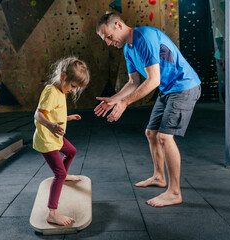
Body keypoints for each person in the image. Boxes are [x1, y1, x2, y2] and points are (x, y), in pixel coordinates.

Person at [95, 12, 201, 207]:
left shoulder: (145, 37)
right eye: (105, 40)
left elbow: (153, 80)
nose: (109, 43)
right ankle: (159, 177)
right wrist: (113, 100)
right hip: (167, 89)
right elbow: (133, 82)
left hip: (184, 86)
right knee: (151, 133)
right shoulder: (128, 48)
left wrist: (125, 103)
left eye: (108, 37)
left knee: (164, 137)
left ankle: (174, 192)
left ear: (118, 25)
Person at [33, 57, 90, 225]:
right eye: (73, 86)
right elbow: (38, 114)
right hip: (47, 140)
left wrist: (67, 118)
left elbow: (53, 113)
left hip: (55, 136)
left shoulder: (61, 91)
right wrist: (50, 125)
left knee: (71, 151)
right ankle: (52, 213)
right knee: (59, 173)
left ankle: (63, 176)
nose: (73, 90)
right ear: (63, 76)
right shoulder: (51, 91)